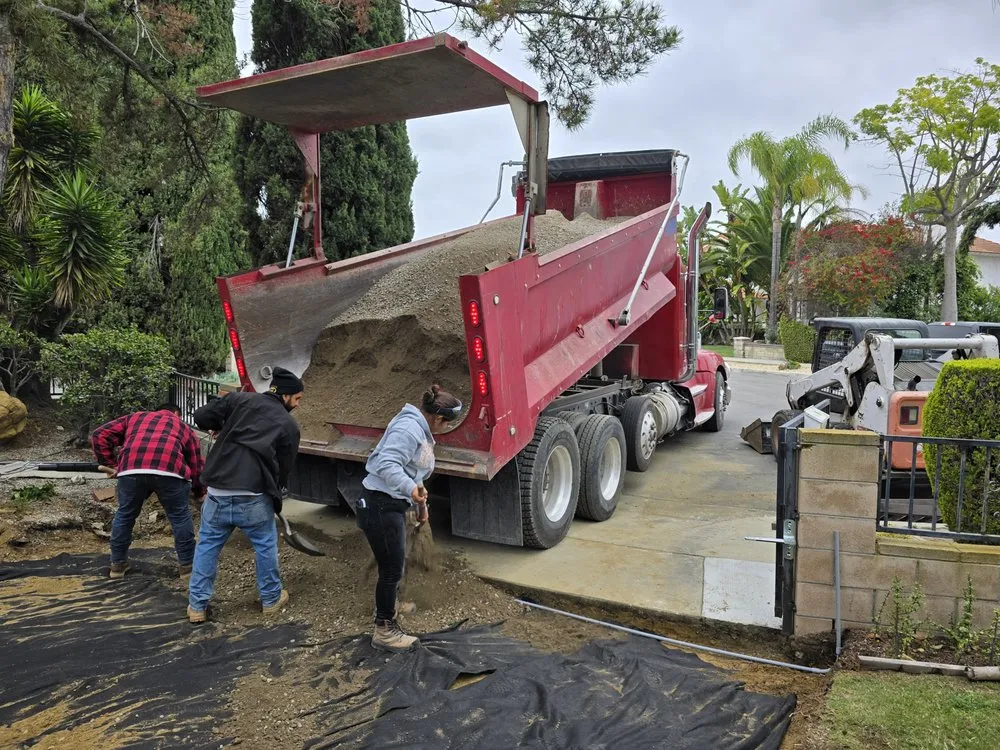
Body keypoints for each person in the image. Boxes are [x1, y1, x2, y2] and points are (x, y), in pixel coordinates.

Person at [187, 367, 303, 624]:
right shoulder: (288, 425)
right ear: (284, 396)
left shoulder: (240, 400)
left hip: (217, 494)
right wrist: (276, 493)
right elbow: (284, 469)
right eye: (297, 399)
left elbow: (202, 416)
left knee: (207, 545)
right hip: (253, 497)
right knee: (264, 544)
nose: (297, 405)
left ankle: (197, 606)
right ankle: (271, 599)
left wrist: (222, 425)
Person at [358, 384, 461, 652]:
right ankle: (384, 630)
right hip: (380, 504)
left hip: (393, 502)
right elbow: (387, 464)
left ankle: (390, 605)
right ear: (438, 418)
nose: (445, 429)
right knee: (391, 567)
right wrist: (410, 489)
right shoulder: (408, 429)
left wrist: (419, 497)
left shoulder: (420, 429)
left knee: (396, 560)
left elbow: (411, 469)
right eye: (446, 424)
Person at [91, 403, 205, 581]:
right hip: (170, 471)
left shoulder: (135, 418)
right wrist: (199, 491)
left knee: (125, 514)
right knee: (179, 516)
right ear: (177, 414)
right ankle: (187, 568)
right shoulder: (183, 426)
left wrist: (111, 463)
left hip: (132, 470)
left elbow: (99, 434)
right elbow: (196, 463)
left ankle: (117, 565)